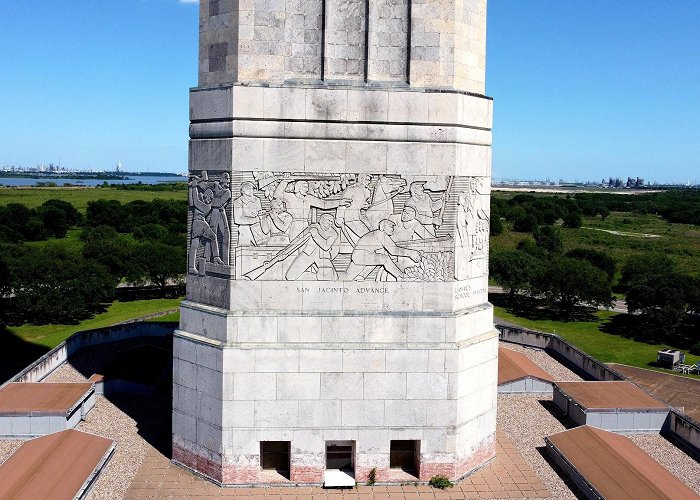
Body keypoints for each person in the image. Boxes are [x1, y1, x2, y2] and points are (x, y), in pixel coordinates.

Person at [343, 219, 422, 281]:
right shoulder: (381, 234)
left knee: (346, 278)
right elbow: (394, 250)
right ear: (383, 227)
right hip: (361, 255)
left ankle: (360, 277)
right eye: (390, 227)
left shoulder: (375, 234)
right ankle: (401, 277)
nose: (393, 229)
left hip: (358, 256)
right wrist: (410, 253)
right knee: (385, 259)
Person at [273, 175, 349, 240]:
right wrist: (285, 181)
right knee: (294, 248)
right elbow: (277, 194)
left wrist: (340, 202)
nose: (307, 189)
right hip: (294, 226)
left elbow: (324, 204)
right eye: (304, 187)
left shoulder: (308, 198)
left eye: (307, 187)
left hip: (306, 225)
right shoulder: (290, 197)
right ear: (298, 188)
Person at [285, 213, 340, 281]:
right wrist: (286, 249)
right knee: (290, 276)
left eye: (332, 222)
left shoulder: (333, 233)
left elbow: (325, 247)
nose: (330, 223)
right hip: (308, 253)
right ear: (321, 220)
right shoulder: (313, 226)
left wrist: (315, 235)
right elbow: (299, 239)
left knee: (331, 278)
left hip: (323, 257)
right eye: (328, 220)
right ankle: (314, 279)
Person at [188, 176, 223, 273]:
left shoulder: (207, 207)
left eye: (211, 198)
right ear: (205, 196)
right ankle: (191, 267)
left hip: (201, 224)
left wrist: (194, 187)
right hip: (198, 223)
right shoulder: (202, 203)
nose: (210, 199)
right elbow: (192, 201)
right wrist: (192, 188)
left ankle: (216, 257)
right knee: (194, 245)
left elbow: (195, 201)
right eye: (209, 197)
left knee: (213, 237)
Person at [208, 172, 232, 264]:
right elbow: (205, 186)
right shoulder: (217, 185)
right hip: (215, 213)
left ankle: (225, 261)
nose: (228, 181)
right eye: (226, 179)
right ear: (222, 179)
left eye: (228, 179)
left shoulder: (227, 192)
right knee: (212, 235)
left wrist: (212, 200)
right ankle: (211, 258)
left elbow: (219, 203)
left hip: (221, 213)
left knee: (226, 235)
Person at [233, 181, 263, 246]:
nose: (251, 190)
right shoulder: (238, 201)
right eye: (248, 189)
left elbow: (260, 214)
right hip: (244, 229)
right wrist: (255, 219)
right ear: (242, 191)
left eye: (252, 189)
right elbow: (238, 219)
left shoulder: (257, 200)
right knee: (244, 251)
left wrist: (261, 215)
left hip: (257, 229)